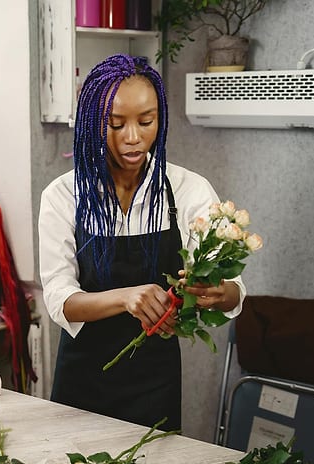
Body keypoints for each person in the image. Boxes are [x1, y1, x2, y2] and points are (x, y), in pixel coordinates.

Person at [38, 54, 245, 432]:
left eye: (146, 121)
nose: (133, 137)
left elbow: (233, 293)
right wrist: (125, 298)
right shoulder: (63, 196)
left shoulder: (188, 190)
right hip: (82, 383)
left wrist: (218, 291)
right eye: (116, 124)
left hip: (155, 383)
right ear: (91, 124)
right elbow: (58, 299)